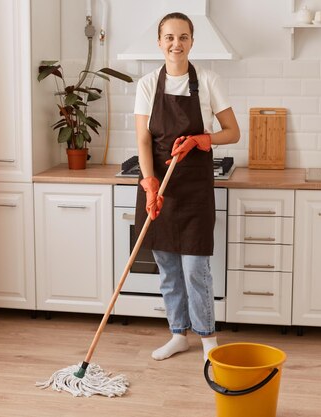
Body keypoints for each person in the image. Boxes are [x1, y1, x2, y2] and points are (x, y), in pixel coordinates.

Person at [133, 12, 240, 362]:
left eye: (182, 37)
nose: (175, 44)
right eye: (169, 37)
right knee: (168, 268)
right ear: (160, 42)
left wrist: (200, 139)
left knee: (196, 268)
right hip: (160, 186)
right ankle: (178, 333)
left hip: (194, 185)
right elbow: (144, 141)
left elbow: (232, 132)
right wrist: (150, 185)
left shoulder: (208, 80)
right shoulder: (148, 84)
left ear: (192, 42)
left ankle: (207, 337)